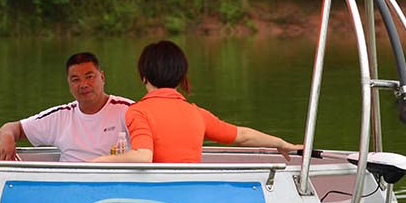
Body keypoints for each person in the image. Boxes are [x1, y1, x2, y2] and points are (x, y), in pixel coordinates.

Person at [93, 40, 298, 164]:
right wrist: (281, 143)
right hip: (192, 193)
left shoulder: (138, 112)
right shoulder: (197, 113)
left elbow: (143, 156)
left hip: (156, 195)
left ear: (144, 76)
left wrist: (98, 161)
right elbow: (242, 136)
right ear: (182, 77)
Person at [0, 51, 133, 162]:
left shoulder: (128, 110)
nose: (83, 84)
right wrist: (7, 138)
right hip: (67, 187)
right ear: (69, 84)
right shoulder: (61, 116)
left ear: (102, 78)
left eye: (89, 76)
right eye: (75, 80)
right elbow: (11, 128)